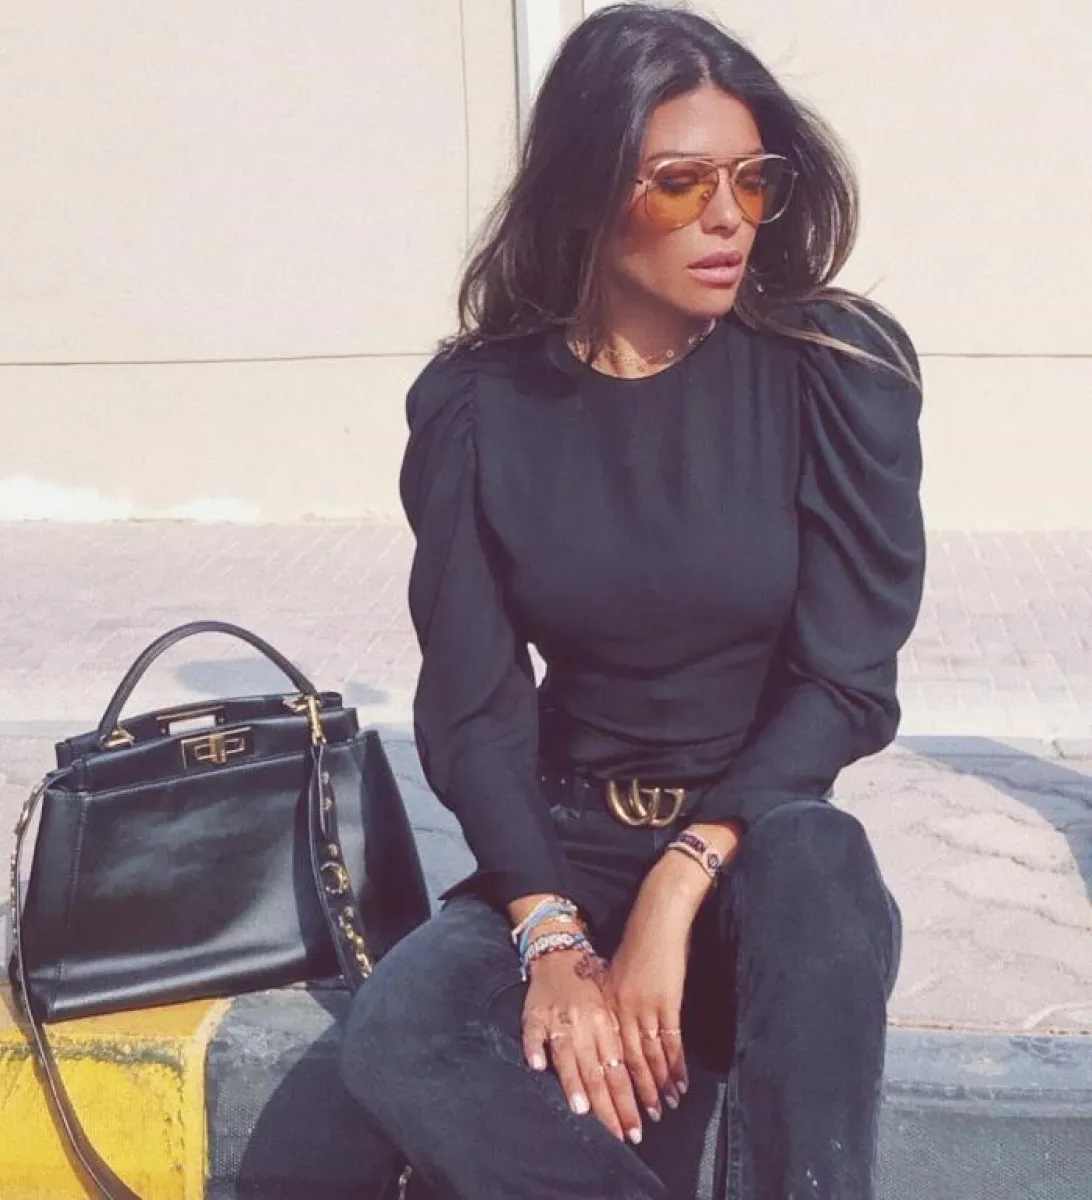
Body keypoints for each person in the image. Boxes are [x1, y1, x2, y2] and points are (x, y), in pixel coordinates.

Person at [340, 4, 925, 1198]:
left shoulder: (832, 370)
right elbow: (474, 707)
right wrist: (551, 933)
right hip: (566, 850)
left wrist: (681, 879)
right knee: (401, 1029)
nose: (728, 215)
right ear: (586, 191)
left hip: (759, 852)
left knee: (820, 862)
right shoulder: (479, 407)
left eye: (752, 180)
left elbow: (847, 684)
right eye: (681, 183)